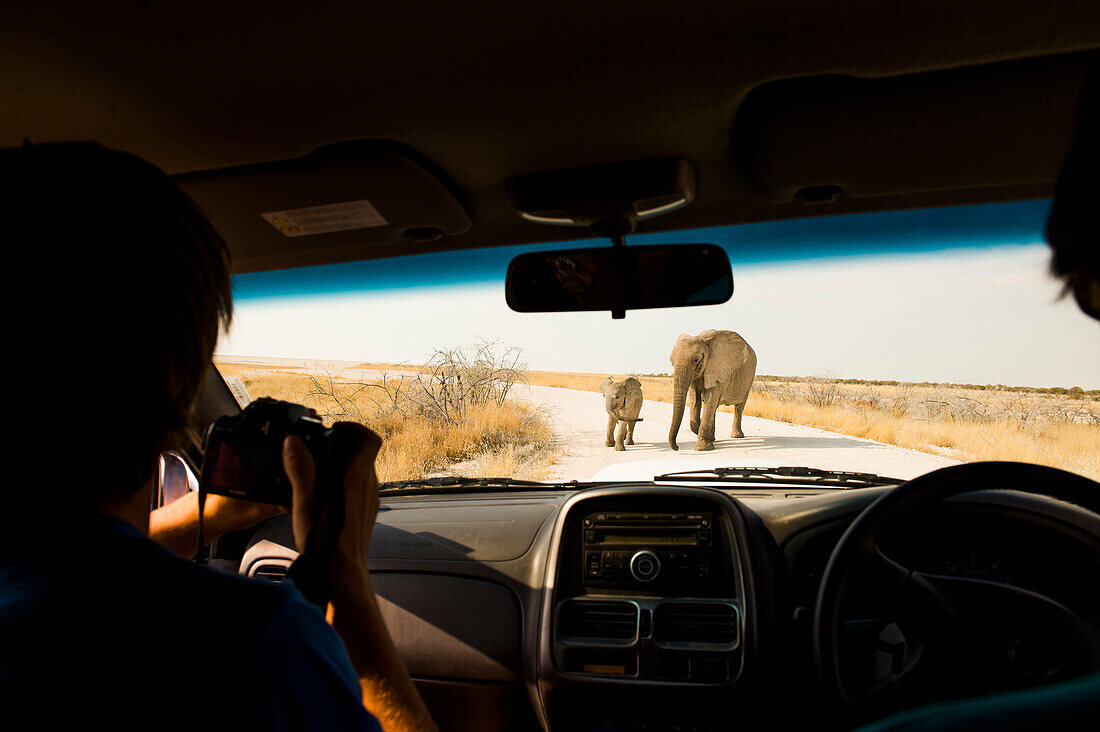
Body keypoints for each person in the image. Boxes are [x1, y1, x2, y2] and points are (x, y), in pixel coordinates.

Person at [0, 141, 436, 732]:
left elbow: (63, 552)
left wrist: (210, 516)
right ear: (176, 379)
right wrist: (346, 583)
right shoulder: (250, 645)